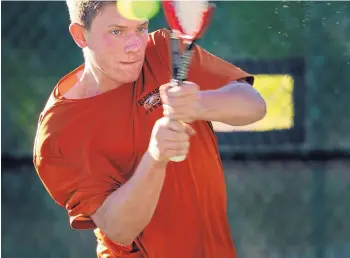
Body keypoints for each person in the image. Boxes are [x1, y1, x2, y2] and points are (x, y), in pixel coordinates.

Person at [33, 1, 266, 257]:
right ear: (80, 35)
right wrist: (155, 157)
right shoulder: (58, 131)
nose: (134, 46)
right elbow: (119, 229)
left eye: (140, 28)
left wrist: (200, 104)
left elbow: (254, 106)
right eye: (117, 32)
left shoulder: (163, 50)